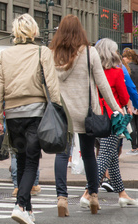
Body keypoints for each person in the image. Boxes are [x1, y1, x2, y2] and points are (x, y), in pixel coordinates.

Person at [0, 14, 61, 224]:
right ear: (34, 31)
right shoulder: (43, 52)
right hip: (36, 113)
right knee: (32, 160)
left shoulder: (4, 55)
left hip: (13, 115)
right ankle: (20, 204)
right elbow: (52, 85)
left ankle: (27, 210)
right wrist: (58, 111)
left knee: (21, 160)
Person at [50, 15, 122, 216]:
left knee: (61, 154)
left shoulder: (52, 54)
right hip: (87, 113)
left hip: (62, 113)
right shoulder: (90, 53)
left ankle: (62, 198)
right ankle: (93, 196)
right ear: (80, 31)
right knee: (89, 154)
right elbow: (103, 85)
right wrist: (115, 108)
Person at [92, 39, 137, 208]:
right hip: (113, 118)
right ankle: (89, 192)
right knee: (105, 155)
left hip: (94, 117)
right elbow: (125, 96)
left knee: (111, 159)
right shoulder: (116, 71)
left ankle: (122, 193)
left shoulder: (93, 72)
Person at [122, 48, 138, 154]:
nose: (123, 59)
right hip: (136, 96)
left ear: (129, 58)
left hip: (131, 97)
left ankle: (134, 147)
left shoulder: (127, 69)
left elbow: (129, 86)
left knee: (132, 123)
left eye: (124, 57)